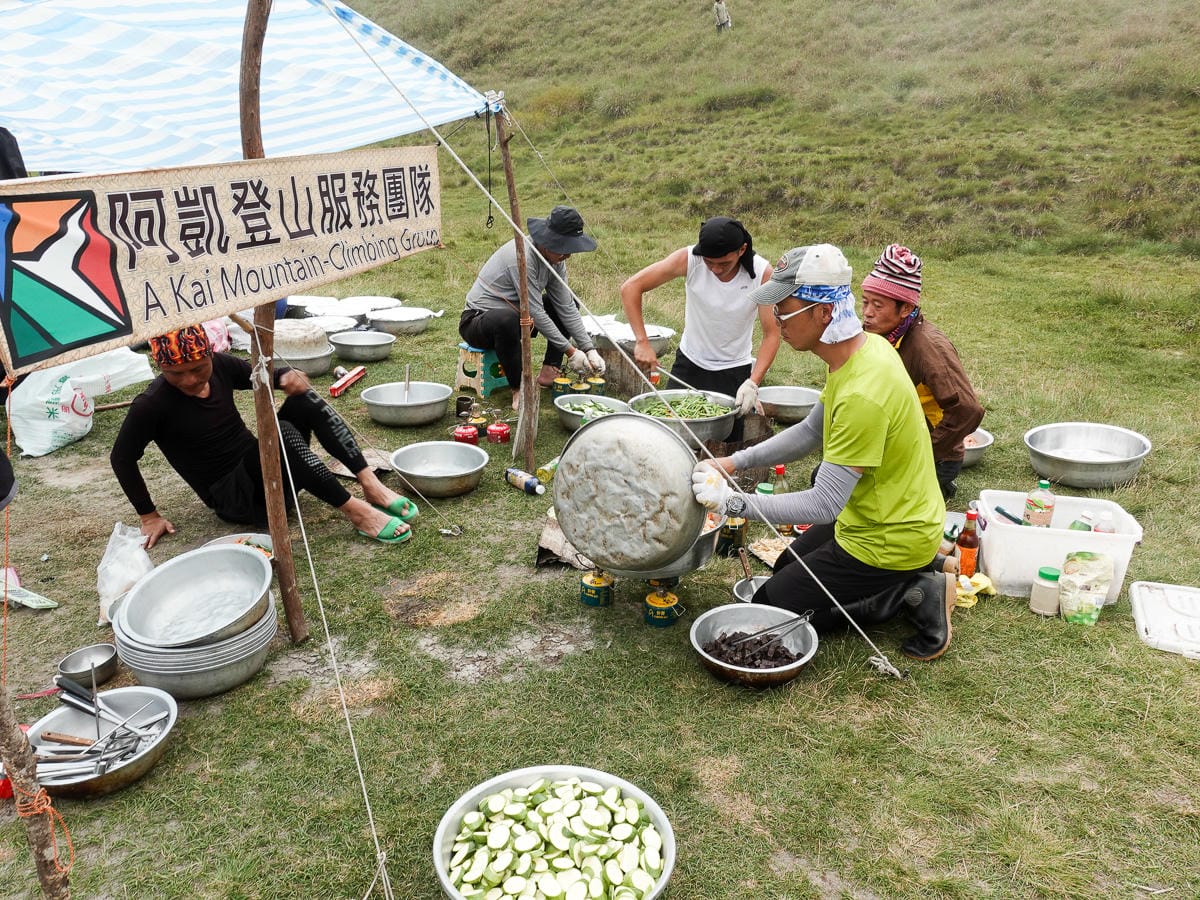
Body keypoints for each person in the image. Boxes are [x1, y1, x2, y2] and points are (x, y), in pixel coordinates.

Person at [691, 244, 956, 661]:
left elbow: (825, 502)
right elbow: (812, 430)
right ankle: (905, 579)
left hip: (889, 537)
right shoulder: (862, 350)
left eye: (784, 307)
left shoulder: (863, 395)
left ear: (823, 313)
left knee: (770, 612)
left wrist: (732, 503)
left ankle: (906, 591)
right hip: (871, 516)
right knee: (781, 573)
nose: (775, 318)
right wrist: (734, 461)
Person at [110, 325, 416, 549]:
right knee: (278, 434)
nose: (189, 379)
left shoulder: (221, 366)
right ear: (160, 365)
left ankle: (369, 483)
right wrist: (148, 515)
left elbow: (265, 374)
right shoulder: (152, 405)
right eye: (176, 373)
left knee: (303, 399)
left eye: (198, 368)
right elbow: (121, 458)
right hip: (236, 499)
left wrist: (287, 376)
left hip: (267, 471)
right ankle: (358, 513)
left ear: (210, 357)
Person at [620, 216, 780, 428]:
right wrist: (642, 341)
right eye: (709, 262)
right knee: (669, 428)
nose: (715, 269)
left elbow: (772, 334)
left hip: (733, 369)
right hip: (689, 364)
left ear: (742, 250)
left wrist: (753, 383)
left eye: (724, 263)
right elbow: (630, 288)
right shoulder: (689, 260)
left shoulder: (762, 274)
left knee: (725, 441)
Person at [860, 244, 984, 500]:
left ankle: (938, 483)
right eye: (865, 302)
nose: (867, 313)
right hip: (894, 445)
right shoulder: (883, 333)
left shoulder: (928, 348)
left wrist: (923, 454)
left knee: (869, 501)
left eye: (878, 305)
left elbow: (968, 410)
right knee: (825, 477)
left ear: (905, 308)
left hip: (932, 457)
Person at [459, 206, 605, 409]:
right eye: (564, 248)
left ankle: (549, 370)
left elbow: (565, 306)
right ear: (549, 241)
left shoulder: (556, 260)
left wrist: (589, 349)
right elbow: (534, 310)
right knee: (507, 318)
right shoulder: (522, 257)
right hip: (479, 322)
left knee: (569, 301)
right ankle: (518, 390)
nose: (568, 255)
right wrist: (571, 351)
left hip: (520, 317)